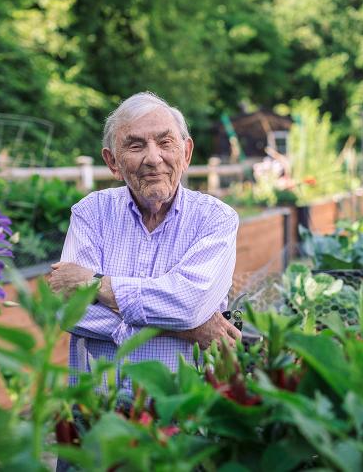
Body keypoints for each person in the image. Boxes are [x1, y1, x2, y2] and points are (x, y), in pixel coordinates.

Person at [49, 92, 241, 390]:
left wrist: (96, 285)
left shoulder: (216, 219)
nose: (153, 158)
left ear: (186, 153)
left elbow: (189, 305)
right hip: (101, 410)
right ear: (113, 162)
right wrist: (186, 329)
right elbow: (71, 313)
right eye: (136, 145)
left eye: (165, 143)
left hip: (187, 409)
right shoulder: (90, 213)